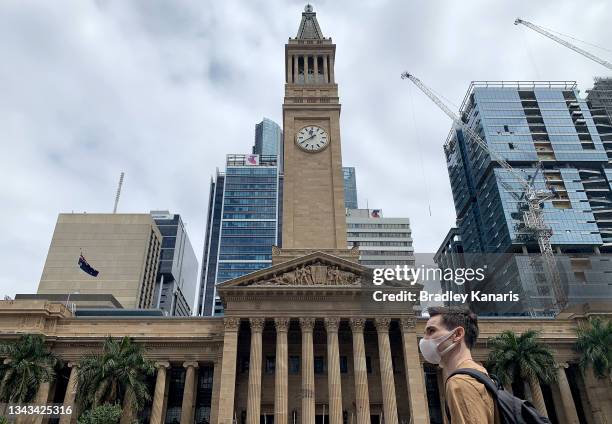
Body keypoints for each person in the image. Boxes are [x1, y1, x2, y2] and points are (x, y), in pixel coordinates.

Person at [420, 306, 499, 424]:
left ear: (457, 334)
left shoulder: (460, 383)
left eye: (431, 331)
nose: (424, 339)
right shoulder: (481, 375)